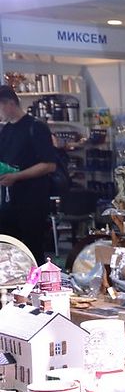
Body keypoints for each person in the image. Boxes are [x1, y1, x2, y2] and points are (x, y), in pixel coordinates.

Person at [0, 85, 56, 264]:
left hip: (33, 202)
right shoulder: (6, 130)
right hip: (9, 203)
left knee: (33, 251)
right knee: (9, 251)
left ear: (9, 103)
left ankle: (38, 287)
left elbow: (49, 165)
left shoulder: (36, 127)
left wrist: (17, 176)